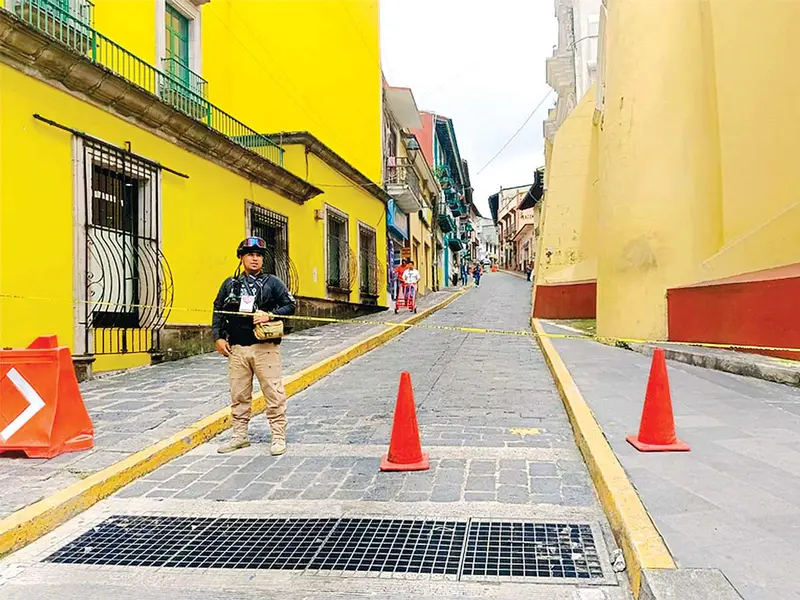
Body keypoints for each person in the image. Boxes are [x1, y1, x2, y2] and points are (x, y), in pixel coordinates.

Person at [212, 237, 296, 456]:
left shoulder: (273, 283)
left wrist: (269, 315)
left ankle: (278, 436)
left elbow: (290, 305)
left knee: (273, 393)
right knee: (239, 395)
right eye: (250, 254)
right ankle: (239, 436)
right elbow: (218, 310)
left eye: (259, 255)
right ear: (241, 257)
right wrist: (218, 337)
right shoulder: (230, 284)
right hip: (237, 349)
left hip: (265, 348)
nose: (255, 258)